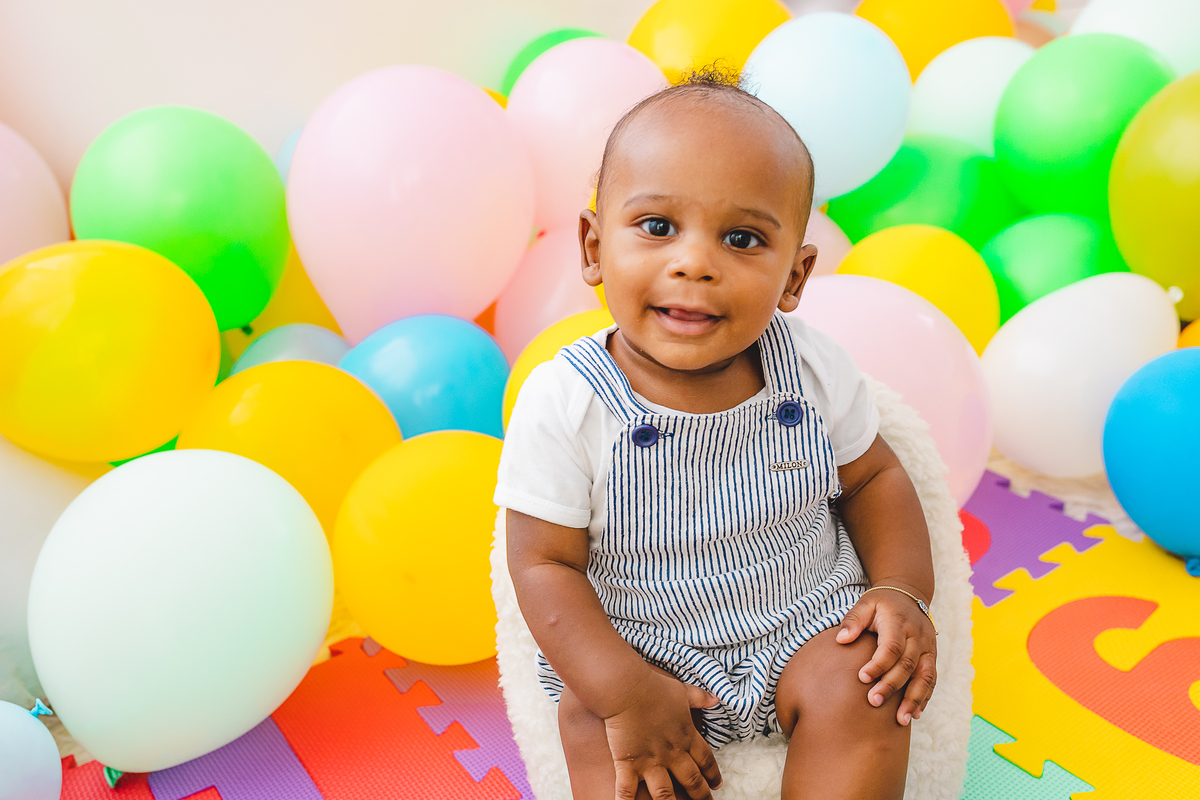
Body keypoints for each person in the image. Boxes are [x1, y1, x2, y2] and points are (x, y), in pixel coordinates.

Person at [495, 69, 937, 800]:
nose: (695, 263)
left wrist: (901, 590)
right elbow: (542, 564)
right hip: (642, 646)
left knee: (868, 685)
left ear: (794, 277)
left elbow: (875, 478)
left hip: (806, 625)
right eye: (657, 227)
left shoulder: (812, 369)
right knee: (592, 717)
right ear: (593, 246)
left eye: (741, 238)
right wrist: (623, 690)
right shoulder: (566, 400)